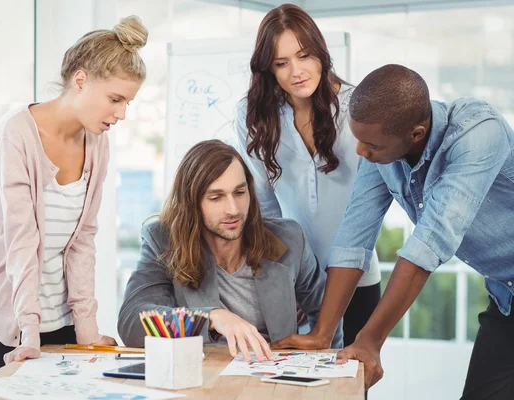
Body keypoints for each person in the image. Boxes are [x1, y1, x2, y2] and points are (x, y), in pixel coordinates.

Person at [277, 64, 514, 398]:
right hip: (506, 298)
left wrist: (371, 340)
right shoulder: (383, 155)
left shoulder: (479, 134)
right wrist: (323, 333)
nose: (360, 151)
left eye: (370, 143)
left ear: (415, 134)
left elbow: (430, 242)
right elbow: (354, 235)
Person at [0, 16, 148, 373]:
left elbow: (82, 240)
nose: (121, 114)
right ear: (80, 80)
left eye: (128, 102)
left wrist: (87, 330)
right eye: (115, 99)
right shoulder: (15, 136)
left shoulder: (97, 142)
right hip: (13, 324)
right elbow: (19, 241)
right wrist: (29, 335)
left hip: (63, 317)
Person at [117, 140, 343, 361]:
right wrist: (211, 317)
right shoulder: (164, 240)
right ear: (191, 202)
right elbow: (132, 323)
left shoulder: (287, 238)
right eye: (216, 197)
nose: (233, 210)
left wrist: (328, 369)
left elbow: (327, 313)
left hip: (273, 380)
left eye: (239, 193)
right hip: (201, 380)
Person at [235, 3, 380, 347]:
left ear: (320, 53)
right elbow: (266, 208)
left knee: (351, 391)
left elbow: (370, 209)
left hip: (358, 279)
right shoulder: (253, 117)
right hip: (295, 284)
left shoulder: (357, 107)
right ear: (268, 68)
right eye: (281, 63)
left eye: (304, 56)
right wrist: (286, 277)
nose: (296, 72)